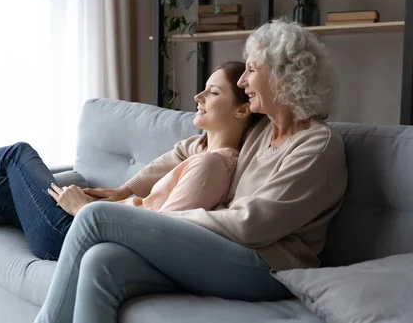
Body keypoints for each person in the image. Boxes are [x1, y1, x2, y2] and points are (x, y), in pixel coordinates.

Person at [33, 19, 348, 323]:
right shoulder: (262, 129)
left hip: (268, 268)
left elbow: (251, 225)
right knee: (101, 262)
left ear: (282, 77)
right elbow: (188, 149)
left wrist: (166, 220)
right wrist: (125, 191)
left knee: (94, 216)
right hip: (226, 250)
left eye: (251, 70)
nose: (242, 81)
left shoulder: (317, 147)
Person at [0, 62, 258, 262]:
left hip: (82, 234)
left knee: (18, 152)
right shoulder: (198, 148)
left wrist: (87, 208)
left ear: (242, 111)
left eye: (213, 93)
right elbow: (168, 159)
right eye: (203, 89)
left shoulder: (212, 166)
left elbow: (164, 234)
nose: (199, 97)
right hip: (89, 222)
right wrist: (123, 190)